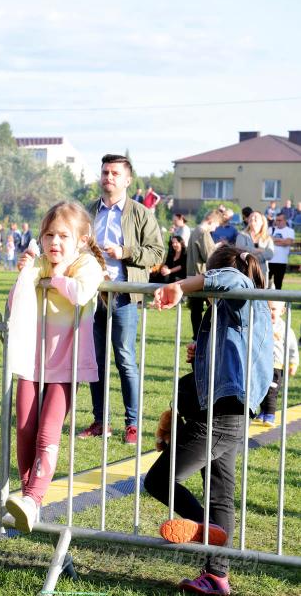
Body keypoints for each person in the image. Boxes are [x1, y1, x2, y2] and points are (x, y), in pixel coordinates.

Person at [145, 246, 272, 596]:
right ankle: (216, 576)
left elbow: (232, 279)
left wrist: (180, 285)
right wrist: (200, 354)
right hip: (226, 414)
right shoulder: (232, 310)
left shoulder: (241, 295)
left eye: (206, 283)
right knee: (220, 496)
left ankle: (206, 530)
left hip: (221, 417)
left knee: (158, 480)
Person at [3, 202, 105, 532]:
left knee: (48, 431)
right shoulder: (39, 264)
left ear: (82, 240)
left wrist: (56, 278)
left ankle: (33, 498)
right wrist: (25, 274)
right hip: (32, 360)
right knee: (24, 429)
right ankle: (27, 499)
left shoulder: (86, 264)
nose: (54, 243)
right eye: (48, 235)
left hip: (67, 364)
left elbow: (81, 292)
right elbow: (14, 300)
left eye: (63, 236)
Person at [79, 154, 164, 444]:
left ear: (127, 180)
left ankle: (133, 424)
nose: (109, 177)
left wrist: (125, 252)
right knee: (96, 361)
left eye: (115, 173)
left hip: (124, 296)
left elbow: (157, 252)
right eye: (105, 172)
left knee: (125, 360)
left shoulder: (141, 213)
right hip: (93, 295)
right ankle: (100, 421)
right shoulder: (89, 211)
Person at [258, 300, 298, 427]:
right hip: (261, 365)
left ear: (282, 311)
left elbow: (293, 348)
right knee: (261, 389)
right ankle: (263, 411)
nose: (270, 312)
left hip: (276, 366)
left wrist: (293, 364)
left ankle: (270, 414)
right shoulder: (261, 324)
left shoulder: (285, 329)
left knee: (272, 390)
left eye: (274, 309)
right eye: (268, 308)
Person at [185, 211, 218, 339]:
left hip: (192, 276)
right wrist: (217, 249)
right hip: (202, 278)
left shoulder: (194, 231)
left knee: (196, 310)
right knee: (212, 308)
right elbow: (209, 257)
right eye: (215, 225)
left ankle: (197, 338)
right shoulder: (203, 233)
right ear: (210, 220)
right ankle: (207, 337)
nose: (215, 229)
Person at [235, 210, 274, 280]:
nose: (252, 218)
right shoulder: (242, 235)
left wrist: (254, 258)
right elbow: (239, 248)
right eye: (251, 217)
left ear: (262, 222)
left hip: (262, 271)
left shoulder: (267, 238)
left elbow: (270, 253)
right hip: (245, 270)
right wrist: (256, 250)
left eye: (255, 217)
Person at [268, 213, 294, 289]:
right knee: (265, 283)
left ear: (285, 221)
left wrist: (274, 240)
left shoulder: (290, 231)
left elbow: (288, 242)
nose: (278, 222)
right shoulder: (270, 229)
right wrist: (282, 240)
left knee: (278, 284)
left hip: (281, 261)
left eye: (280, 220)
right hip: (269, 260)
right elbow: (267, 240)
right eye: (276, 220)